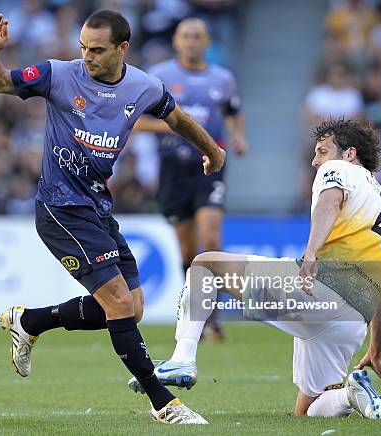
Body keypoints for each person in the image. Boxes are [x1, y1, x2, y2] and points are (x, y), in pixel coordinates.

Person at [0, 9, 226, 424]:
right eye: (83, 48)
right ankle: (164, 403)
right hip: (59, 208)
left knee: (133, 308)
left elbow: (178, 119)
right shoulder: (58, 75)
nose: (87, 56)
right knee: (119, 302)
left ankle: (29, 321)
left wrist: (213, 150)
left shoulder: (144, 87)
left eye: (97, 49)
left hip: (97, 207)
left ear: (122, 49)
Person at [128, 118, 381, 420]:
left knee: (205, 264)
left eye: (322, 151)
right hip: (352, 323)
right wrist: (376, 350)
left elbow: (329, 201)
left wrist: (312, 252)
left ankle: (182, 357)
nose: (316, 161)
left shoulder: (340, 169)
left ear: (350, 152)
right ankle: (349, 393)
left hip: (320, 291)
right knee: (308, 411)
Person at [135, 18, 247, 341]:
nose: (192, 41)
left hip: (210, 164)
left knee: (210, 240)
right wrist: (176, 124)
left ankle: (212, 316)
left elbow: (233, 112)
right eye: (186, 36)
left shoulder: (223, 79)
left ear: (207, 41)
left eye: (198, 36)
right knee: (187, 251)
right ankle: (196, 310)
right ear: (175, 41)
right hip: (173, 169)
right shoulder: (160, 77)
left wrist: (238, 137)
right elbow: (136, 122)